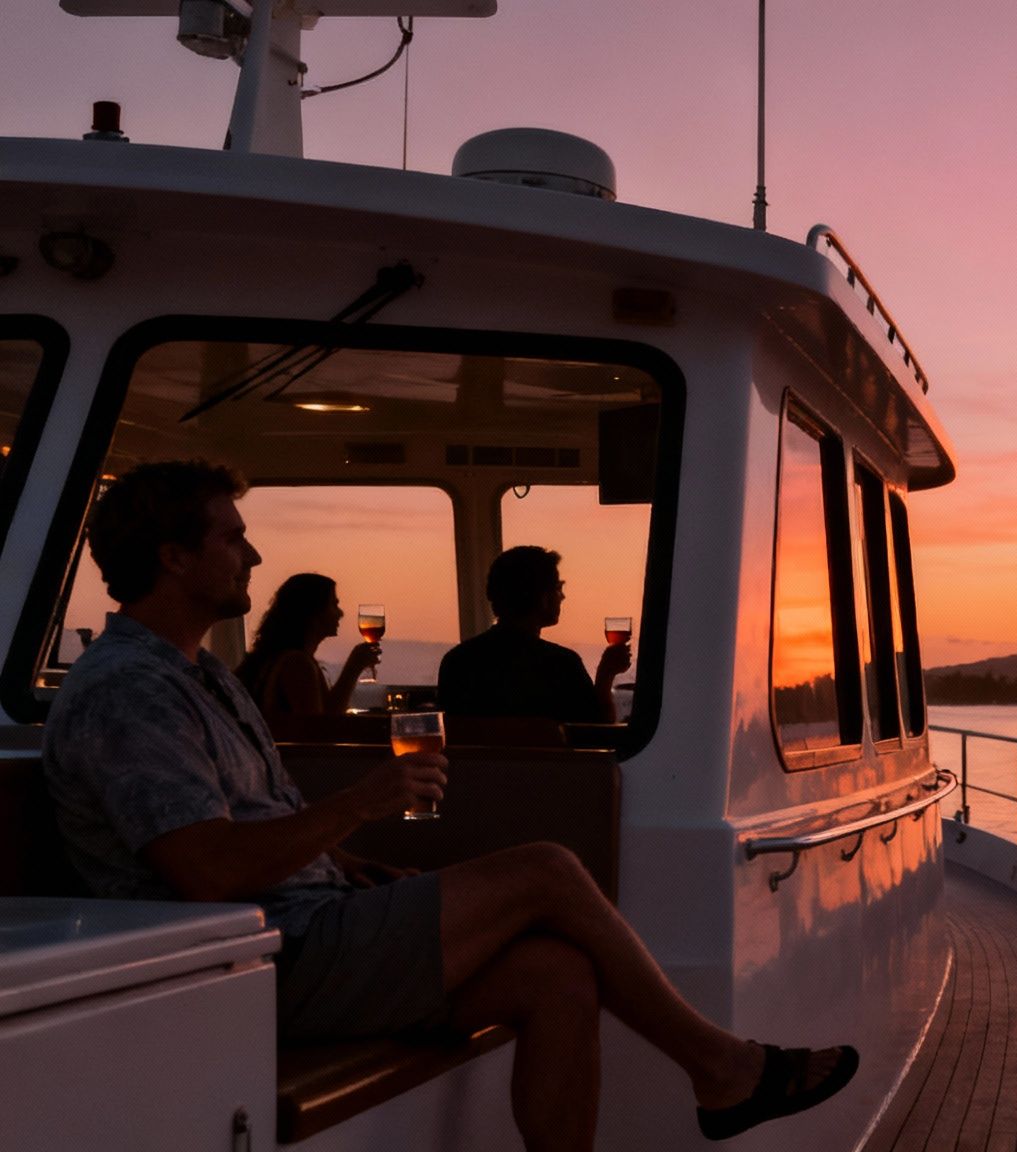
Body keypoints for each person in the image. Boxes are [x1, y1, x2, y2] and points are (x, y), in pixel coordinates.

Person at [41, 462, 855, 1149]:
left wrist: (345, 863)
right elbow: (206, 871)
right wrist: (365, 801)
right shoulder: (130, 692)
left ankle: (713, 1081)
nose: (253, 553)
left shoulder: (203, 676)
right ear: (174, 557)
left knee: (557, 973)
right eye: (231, 536)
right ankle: (723, 1069)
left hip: (303, 929)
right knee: (547, 869)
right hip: (249, 966)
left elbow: (243, 824)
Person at [436, 546, 629, 725]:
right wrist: (605, 675)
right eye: (558, 587)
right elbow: (598, 733)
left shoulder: (456, 661)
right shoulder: (562, 665)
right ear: (543, 597)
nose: (563, 596)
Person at [236, 572, 380, 719]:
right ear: (313, 611)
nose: (340, 613)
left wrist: (354, 667)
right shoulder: (297, 664)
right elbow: (320, 729)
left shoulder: (284, 658)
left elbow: (327, 712)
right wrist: (352, 668)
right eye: (334, 604)